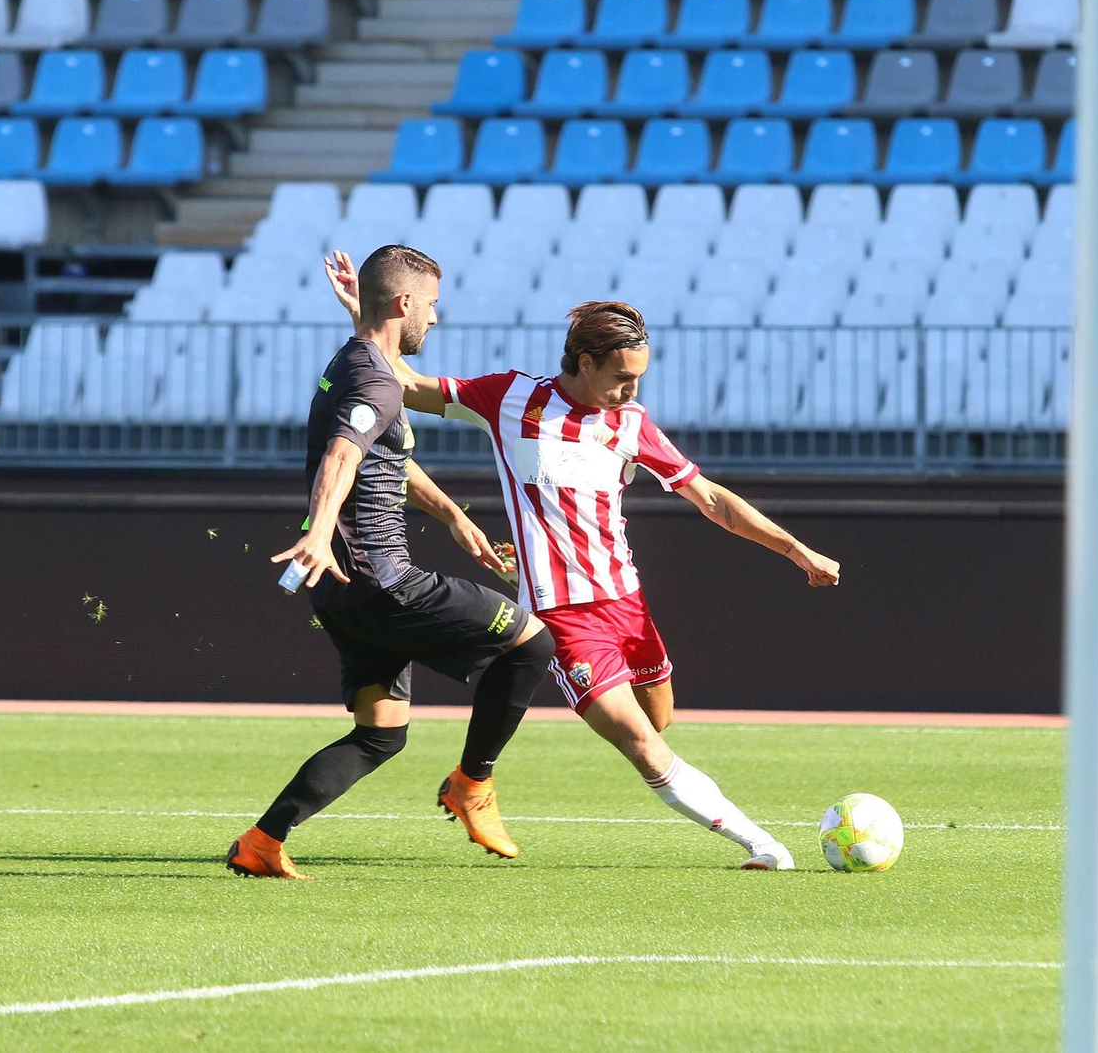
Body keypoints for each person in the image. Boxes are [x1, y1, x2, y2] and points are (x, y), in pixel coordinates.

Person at [324, 252, 841, 870]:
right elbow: (405, 383)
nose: (632, 391)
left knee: (658, 720)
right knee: (641, 744)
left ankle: (474, 779)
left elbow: (711, 500)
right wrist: (368, 319)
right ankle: (763, 845)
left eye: (639, 378)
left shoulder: (631, 422)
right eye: (622, 377)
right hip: (563, 614)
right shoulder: (510, 398)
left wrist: (795, 549)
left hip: (627, 602)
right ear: (585, 362)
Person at [227, 245, 556, 880]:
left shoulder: (361, 360)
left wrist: (454, 515)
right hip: (382, 580)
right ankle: (472, 784)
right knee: (532, 642)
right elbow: (343, 455)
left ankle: (262, 842)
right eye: (430, 305)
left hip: (342, 587)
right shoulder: (376, 382)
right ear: (405, 303)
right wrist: (319, 530)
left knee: (381, 733)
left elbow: (388, 455)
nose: (435, 317)